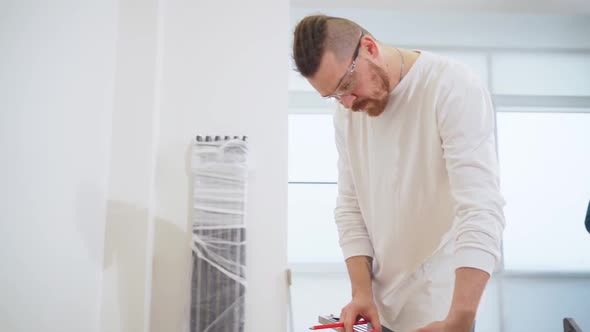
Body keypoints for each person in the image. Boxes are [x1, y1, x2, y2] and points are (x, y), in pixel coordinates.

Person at [292, 15, 506, 332]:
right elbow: (351, 207)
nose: (347, 103)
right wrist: (361, 292)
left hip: (440, 314)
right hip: (380, 312)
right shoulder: (347, 112)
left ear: (369, 48)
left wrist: (460, 319)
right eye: (334, 96)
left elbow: (480, 209)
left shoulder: (451, 87)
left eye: (347, 85)